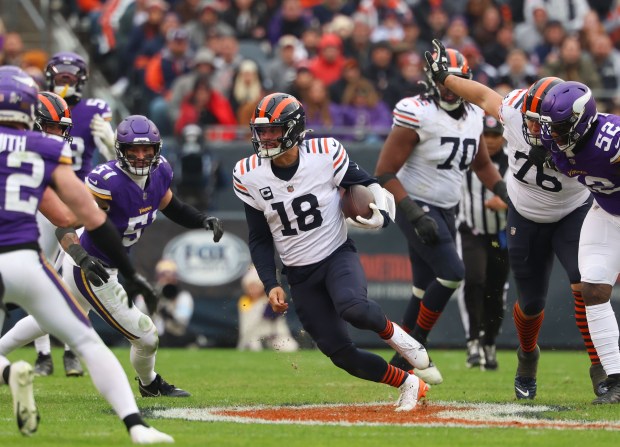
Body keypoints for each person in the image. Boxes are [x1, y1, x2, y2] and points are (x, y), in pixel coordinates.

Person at [0, 66, 172, 443]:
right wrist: (126, 269)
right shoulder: (43, 148)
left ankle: (7, 371)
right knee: (88, 343)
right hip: (25, 261)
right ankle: (137, 428)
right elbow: (79, 217)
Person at [424, 39, 601, 399]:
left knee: (587, 285)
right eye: (532, 123)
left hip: (573, 211)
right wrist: (446, 76)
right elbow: (481, 94)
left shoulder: (589, 131)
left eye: (545, 124)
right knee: (531, 301)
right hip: (527, 214)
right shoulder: (516, 110)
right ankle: (527, 355)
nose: (536, 130)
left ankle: (600, 365)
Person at [0, 114, 224, 399]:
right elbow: (66, 223)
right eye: (133, 149)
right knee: (146, 337)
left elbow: (173, 206)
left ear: (157, 149)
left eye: (147, 149)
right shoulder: (107, 182)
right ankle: (149, 383)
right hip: (91, 265)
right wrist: (81, 257)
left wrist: (202, 220)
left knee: (45, 319)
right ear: (121, 149)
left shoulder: (161, 172)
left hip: (101, 264)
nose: (141, 156)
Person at [233, 92, 430, 411]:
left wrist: (380, 212)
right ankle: (409, 383)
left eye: (273, 129)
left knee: (354, 308)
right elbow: (258, 237)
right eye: (262, 130)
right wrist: (271, 284)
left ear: (294, 129)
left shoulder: (325, 152)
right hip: (298, 273)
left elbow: (370, 183)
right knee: (341, 356)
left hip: (336, 254)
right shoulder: (247, 173)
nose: (265, 137)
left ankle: (399, 337)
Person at [374, 46, 507, 386]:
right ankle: (418, 348)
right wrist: (413, 213)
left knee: (421, 288)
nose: (450, 86)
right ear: (432, 80)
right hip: (414, 204)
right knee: (452, 273)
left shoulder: (475, 115)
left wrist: (505, 193)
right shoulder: (416, 111)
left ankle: (399, 360)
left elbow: (481, 165)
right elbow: (385, 172)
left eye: (457, 80)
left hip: (448, 209)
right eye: (445, 80)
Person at [30, 51, 118, 377]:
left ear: (80, 79)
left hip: (78, 194)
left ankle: (70, 349)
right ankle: (42, 354)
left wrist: (111, 145)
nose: (65, 82)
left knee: (72, 276)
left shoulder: (95, 109)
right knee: (39, 273)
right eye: (61, 76)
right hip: (44, 194)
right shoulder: (38, 104)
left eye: (70, 77)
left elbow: (113, 157)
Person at [539, 81, 620, 404]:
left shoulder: (611, 138)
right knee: (593, 289)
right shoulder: (552, 137)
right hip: (607, 211)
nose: (552, 134)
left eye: (560, 127)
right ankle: (616, 379)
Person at [457, 114, 510, 371]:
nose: (489, 141)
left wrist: (507, 203)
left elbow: (525, 196)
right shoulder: (467, 156)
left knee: (496, 292)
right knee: (474, 280)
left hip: (500, 235)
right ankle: (473, 341)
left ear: (503, 137)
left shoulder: (513, 160)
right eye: (486, 136)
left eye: (495, 136)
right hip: (472, 230)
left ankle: (489, 342)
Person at [237, 265, 299, 352]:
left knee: (290, 347)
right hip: (254, 338)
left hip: (275, 336)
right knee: (254, 347)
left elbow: (274, 311)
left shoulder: (269, 300)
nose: (253, 290)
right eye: (250, 286)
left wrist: (276, 296)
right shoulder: (244, 301)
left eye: (256, 286)